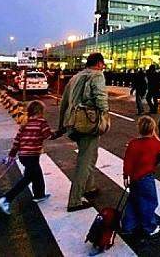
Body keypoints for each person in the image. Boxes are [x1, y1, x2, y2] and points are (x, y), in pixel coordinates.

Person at [55, 52, 109, 212]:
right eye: (103, 64)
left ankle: (89, 186)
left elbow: (64, 102)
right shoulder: (97, 75)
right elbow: (101, 99)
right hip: (87, 123)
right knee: (85, 161)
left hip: (73, 122)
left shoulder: (75, 77)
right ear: (99, 63)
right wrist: (105, 115)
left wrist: (61, 127)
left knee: (91, 154)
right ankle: (75, 200)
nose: (103, 67)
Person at [0, 101, 52, 215]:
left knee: (37, 174)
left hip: (23, 155)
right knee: (28, 178)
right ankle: (6, 199)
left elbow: (17, 140)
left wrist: (12, 154)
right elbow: (49, 136)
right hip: (32, 155)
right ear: (40, 111)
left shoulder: (25, 122)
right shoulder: (41, 122)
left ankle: (39, 195)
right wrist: (63, 131)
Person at [122, 116, 160, 238]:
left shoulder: (133, 143)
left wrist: (126, 176)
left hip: (134, 178)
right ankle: (149, 227)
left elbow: (127, 161)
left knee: (132, 201)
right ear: (152, 130)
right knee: (149, 202)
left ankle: (128, 226)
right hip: (146, 178)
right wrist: (155, 135)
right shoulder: (153, 144)